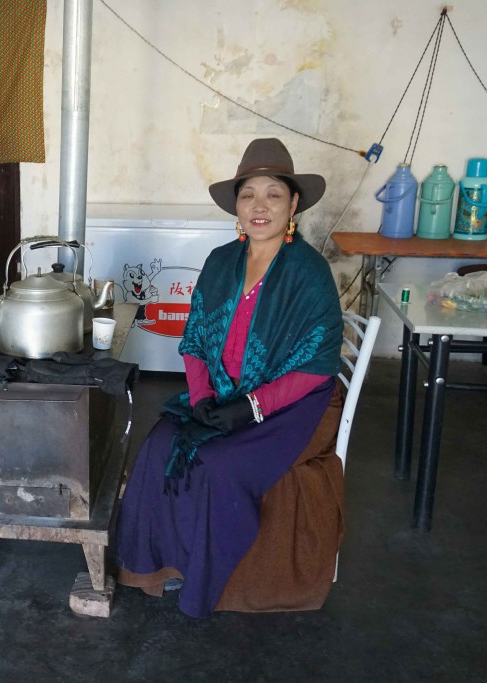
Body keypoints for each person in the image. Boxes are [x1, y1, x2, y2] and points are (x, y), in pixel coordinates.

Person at [115, 138, 344, 618]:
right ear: (236, 206)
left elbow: (316, 363)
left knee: (219, 464)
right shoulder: (221, 262)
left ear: (294, 204)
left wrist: (252, 408)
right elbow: (196, 339)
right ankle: (164, 565)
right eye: (248, 195)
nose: (259, 207)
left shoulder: (309, 271)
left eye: (273, 195)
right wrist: (201, 397)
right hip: (222, 393)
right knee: (161, 444)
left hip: (294, 405)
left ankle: (214, 579)